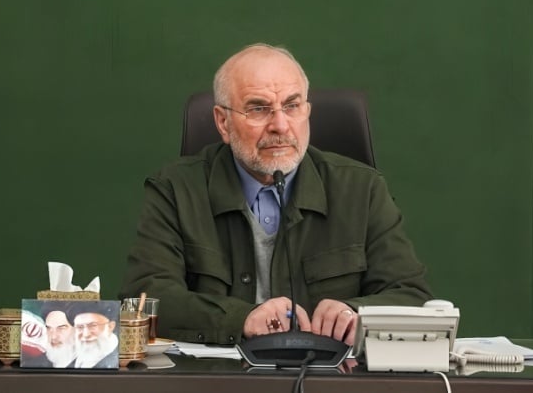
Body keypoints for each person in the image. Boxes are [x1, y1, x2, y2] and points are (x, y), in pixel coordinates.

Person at [119, 43, 432, 346]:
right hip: (217, 374)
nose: (280, 125)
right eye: (258, 109)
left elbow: (413, 296)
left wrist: (354, 312)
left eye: (292, 106)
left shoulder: (363, 189)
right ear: (223, 122)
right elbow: (144, 297)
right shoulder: (175, 189)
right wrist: (240, 319)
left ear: (307, 111)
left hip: (331, 374)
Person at [70, 302, 119, 368]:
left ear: (110, 327)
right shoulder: (74, 361)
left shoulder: (118, 361)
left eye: (93, 325)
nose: (86, 334)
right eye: (80, 327)